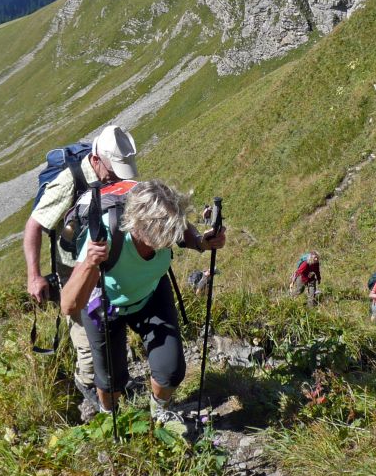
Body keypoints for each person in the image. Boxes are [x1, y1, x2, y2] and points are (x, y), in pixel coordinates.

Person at [61, 180, 226, 423]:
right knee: (110, 383)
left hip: (151, 294)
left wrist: (202, 242)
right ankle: (111, 416)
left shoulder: (164, 225)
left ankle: (158, 411)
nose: (171, 238)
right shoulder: (105, 236)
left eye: (173, 229)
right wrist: (89, 263)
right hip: (106, 305)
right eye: (166, 233)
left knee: (170, 370)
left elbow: (182, 230)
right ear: (139, 227)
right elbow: (68, 305)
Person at [24, 125, 138, 407]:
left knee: (109, 324)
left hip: (103, 262)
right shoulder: (69, 182)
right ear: (97, 160)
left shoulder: (108, 170)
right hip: (73, 269)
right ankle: (89, 388)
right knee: (87, 338)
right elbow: (34, 226)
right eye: (113, 171)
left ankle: (109, 382)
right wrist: (34, 276)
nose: (116, 178)